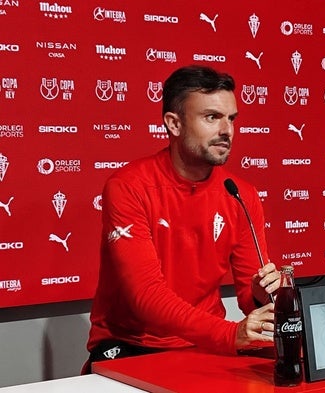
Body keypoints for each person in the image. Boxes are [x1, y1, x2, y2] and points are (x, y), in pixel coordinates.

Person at [83, 65, 280, 373]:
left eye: (231, 119)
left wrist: (259, 295)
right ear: (174, 124)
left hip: (206, 342)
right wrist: (229, 334)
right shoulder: (128, 187)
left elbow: (247, 297)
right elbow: (146, 297)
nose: (226, 130)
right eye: (212, 117)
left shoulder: (241, 193)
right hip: (133, 342)